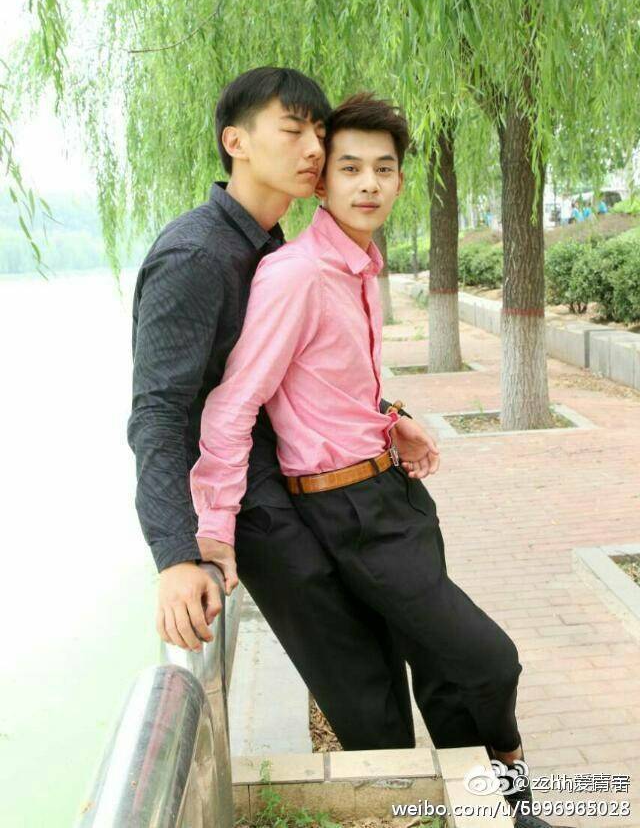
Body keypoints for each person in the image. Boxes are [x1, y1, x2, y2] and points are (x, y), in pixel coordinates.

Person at [190, 93, 565, 828]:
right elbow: (234, 403)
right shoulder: (297, 274)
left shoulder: (360, 266)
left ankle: (498, 812)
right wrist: (211, 529)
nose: (369, 184)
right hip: (347, 514)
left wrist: (393, 420)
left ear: (399, 180)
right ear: (320, 180)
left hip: (393, 498)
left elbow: (329, 386)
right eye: (351, 168)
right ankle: (514, 800)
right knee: (489, 660)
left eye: (384, 169)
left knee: (446, 677)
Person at [128, 66, 444, 751]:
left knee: (379, 646)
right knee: (355, 673)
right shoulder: (194, 254)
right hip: (255, 510)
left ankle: (403, 785)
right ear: (236, 141)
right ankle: (396, 787)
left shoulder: (271, 245)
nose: (314, 149)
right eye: (294, 130)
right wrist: (175, 555)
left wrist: (390, 413)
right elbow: (157, 414)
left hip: (309, 486)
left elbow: (302, 374)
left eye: (319, 133)